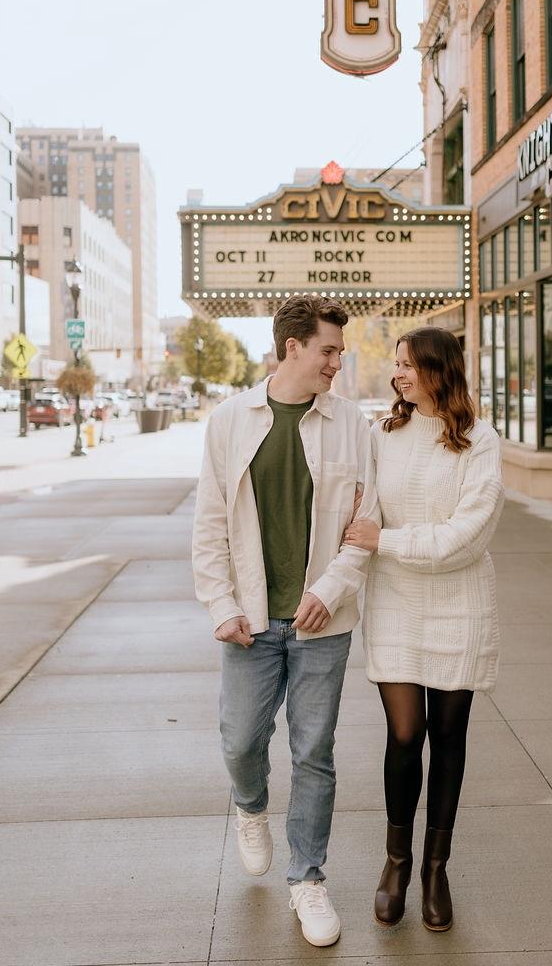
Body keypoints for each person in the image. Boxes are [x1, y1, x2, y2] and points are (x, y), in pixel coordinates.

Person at [192, 294, 374, 949]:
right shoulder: (228, 421)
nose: (336, 363)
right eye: (328, 350)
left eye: (340, 353)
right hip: (250, 619)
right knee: (241, 741)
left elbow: (366, 523)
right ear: (292, 346)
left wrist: (331, 587)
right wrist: (221, 605)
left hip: (323, 621)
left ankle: (308, 879)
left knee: (313, 752)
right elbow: (210, 524)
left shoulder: (353, 425)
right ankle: (249, 807)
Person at [344, 326, 504, 932]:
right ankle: (397, 863)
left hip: (459, 606)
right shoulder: (383, 434)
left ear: (439, 369)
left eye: (408, 364)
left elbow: (468, 537)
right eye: (396, 364)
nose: (398, 374)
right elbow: (363, 514)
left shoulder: (479, 440)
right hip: (397, 604)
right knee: (405, 735)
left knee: (449, 737)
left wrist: (385, 541)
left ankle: (437, 869)